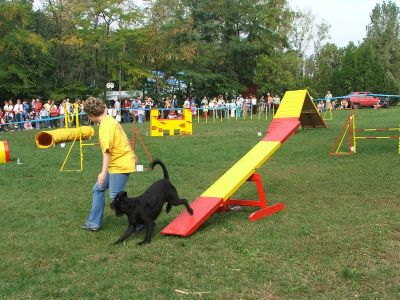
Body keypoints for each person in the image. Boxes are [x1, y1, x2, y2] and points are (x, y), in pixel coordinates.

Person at [81, 97, 137, 231]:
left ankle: (140, 222)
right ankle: (94, 222)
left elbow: (107, 151)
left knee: (116, 198)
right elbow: (123, 139)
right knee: (98, 189)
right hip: (118, 162)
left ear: (91, 115)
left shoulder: (105, 126)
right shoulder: (110, 120)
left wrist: (103, 173)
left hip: (120, 164)